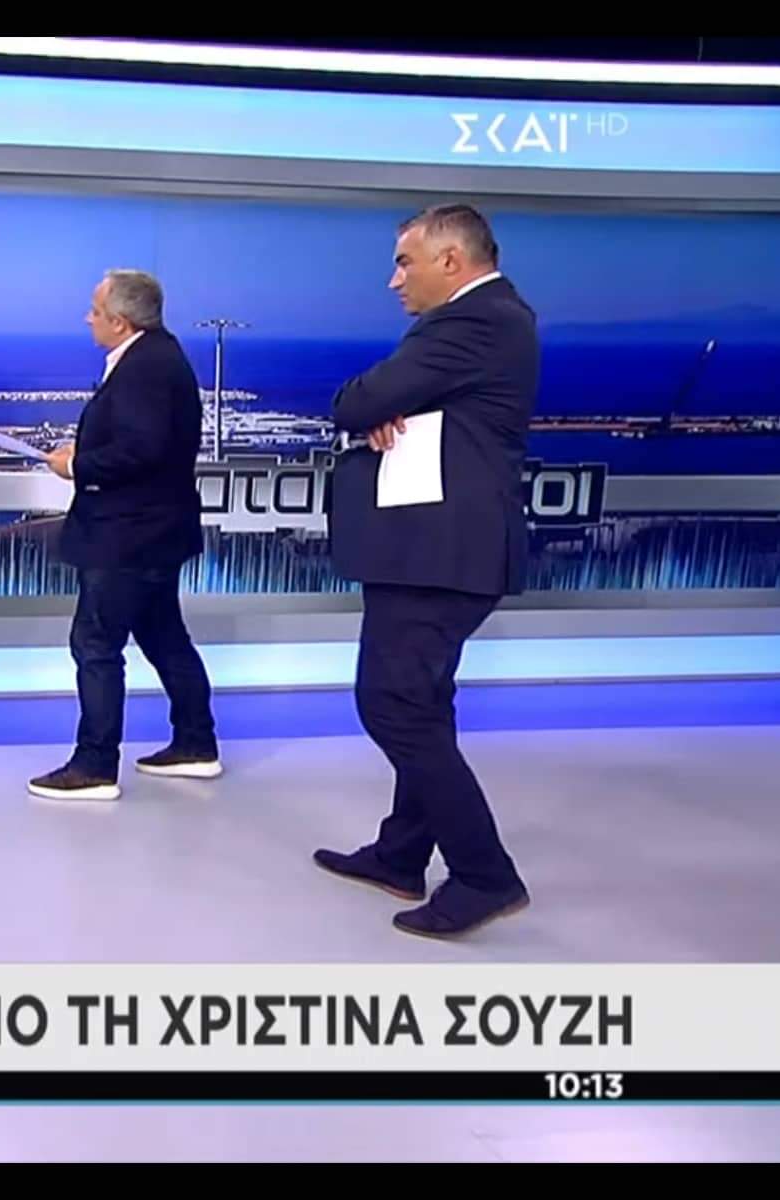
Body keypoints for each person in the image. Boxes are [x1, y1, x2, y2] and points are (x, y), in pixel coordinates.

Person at [314, 204, 537, 938]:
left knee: (393, 704)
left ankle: (484, 875)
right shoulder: (493, 321)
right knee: (423, 702)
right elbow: (398, 408)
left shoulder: (472, 321)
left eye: (404, 262)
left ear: (451, 260)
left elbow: (357, 400)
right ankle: (402, 853)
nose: (394, 280)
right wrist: (392, 410)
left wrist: (378, 407)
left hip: (441, 555)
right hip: (436, 551)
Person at [28, 269, 220, 801]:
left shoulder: (145, 368)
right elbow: (145, 441)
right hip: (153, 531)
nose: (87, 319)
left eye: (95, 311)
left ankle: (94, 765)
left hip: (127, 535)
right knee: (163, 636)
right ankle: (195, 743)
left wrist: (78, 465)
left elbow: (141, 449)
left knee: (95, 643)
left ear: (120, 321)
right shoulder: (158, 357)